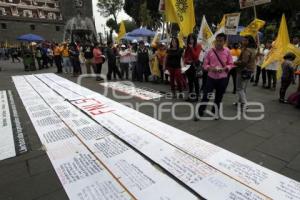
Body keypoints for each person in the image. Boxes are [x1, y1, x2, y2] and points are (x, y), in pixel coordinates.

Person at [196, 33, 233, 120]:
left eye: (221, 41)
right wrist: (210, 68)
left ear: (224, 42)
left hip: (223, 78)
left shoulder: (227, 51)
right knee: (206, 96)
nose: (219, 43)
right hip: (211, 77)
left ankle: (214, 112)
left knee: (219, 97)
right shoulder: (210, 51)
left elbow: (231, 64)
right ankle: (200, 112)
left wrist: (225, 68)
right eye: (217, 40)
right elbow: (205, 64)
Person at [234, 35, 257, 109]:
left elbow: (244, 62)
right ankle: (240, 102)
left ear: (248, 42)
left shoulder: (247, 50)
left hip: (243, 70)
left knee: (239, 88)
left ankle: (244, 103)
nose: (242, 41)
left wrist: (235, 62)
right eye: (243, 40)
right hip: (250, 70)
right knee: (243, 88)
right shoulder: (253, 49)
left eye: (244, 40)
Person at [184, 33, 202, 102]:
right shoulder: (188, 46)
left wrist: (191, 48)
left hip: (195, 66)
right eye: (190, 39)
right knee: (190, 82)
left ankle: (197, 97)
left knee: (195, 81)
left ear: (195, 39)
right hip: (188, 66)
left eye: (192, 39)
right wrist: (186, 60)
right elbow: (185, 55)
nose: (191, 40)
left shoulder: (198, 45)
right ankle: (190, 96)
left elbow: (195, 56)